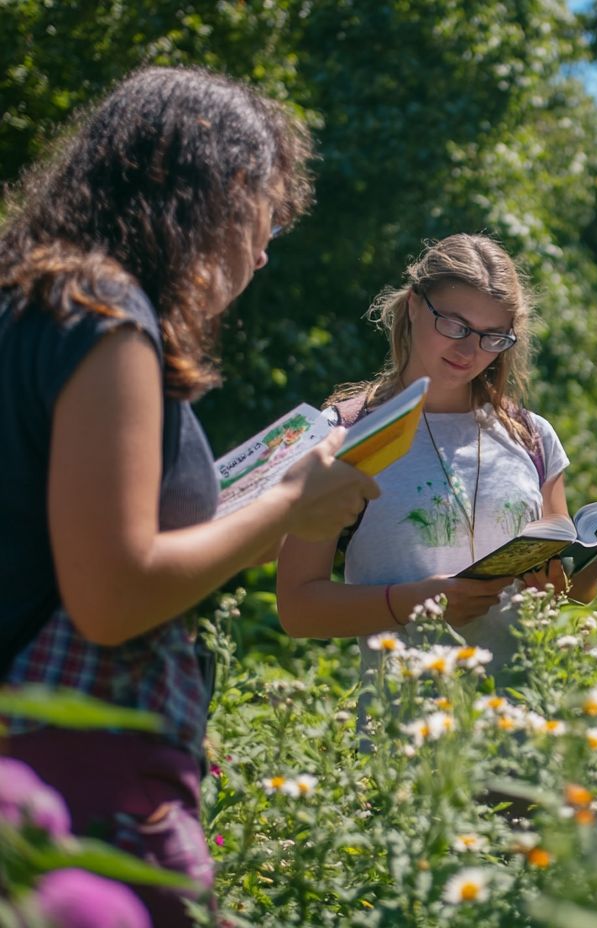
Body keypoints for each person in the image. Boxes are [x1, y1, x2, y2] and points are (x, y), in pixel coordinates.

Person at [0, 68, 378, 924]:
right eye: (269, 216)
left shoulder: (29, 300)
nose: (267, 249)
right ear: (223, 193)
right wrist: (289, 507)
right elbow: (112, 595)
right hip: (74, 775)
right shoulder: (108, 323)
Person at [277, 234, 571, 678]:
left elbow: (575, 584)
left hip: (525, 727)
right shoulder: (343, 435)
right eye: (455, 325)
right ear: (414, 305)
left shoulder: (531, 436)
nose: (470, 351)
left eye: (492, 337)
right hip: (401, 731)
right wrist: (414, 603)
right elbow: (298, 609)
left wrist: (562, 579)